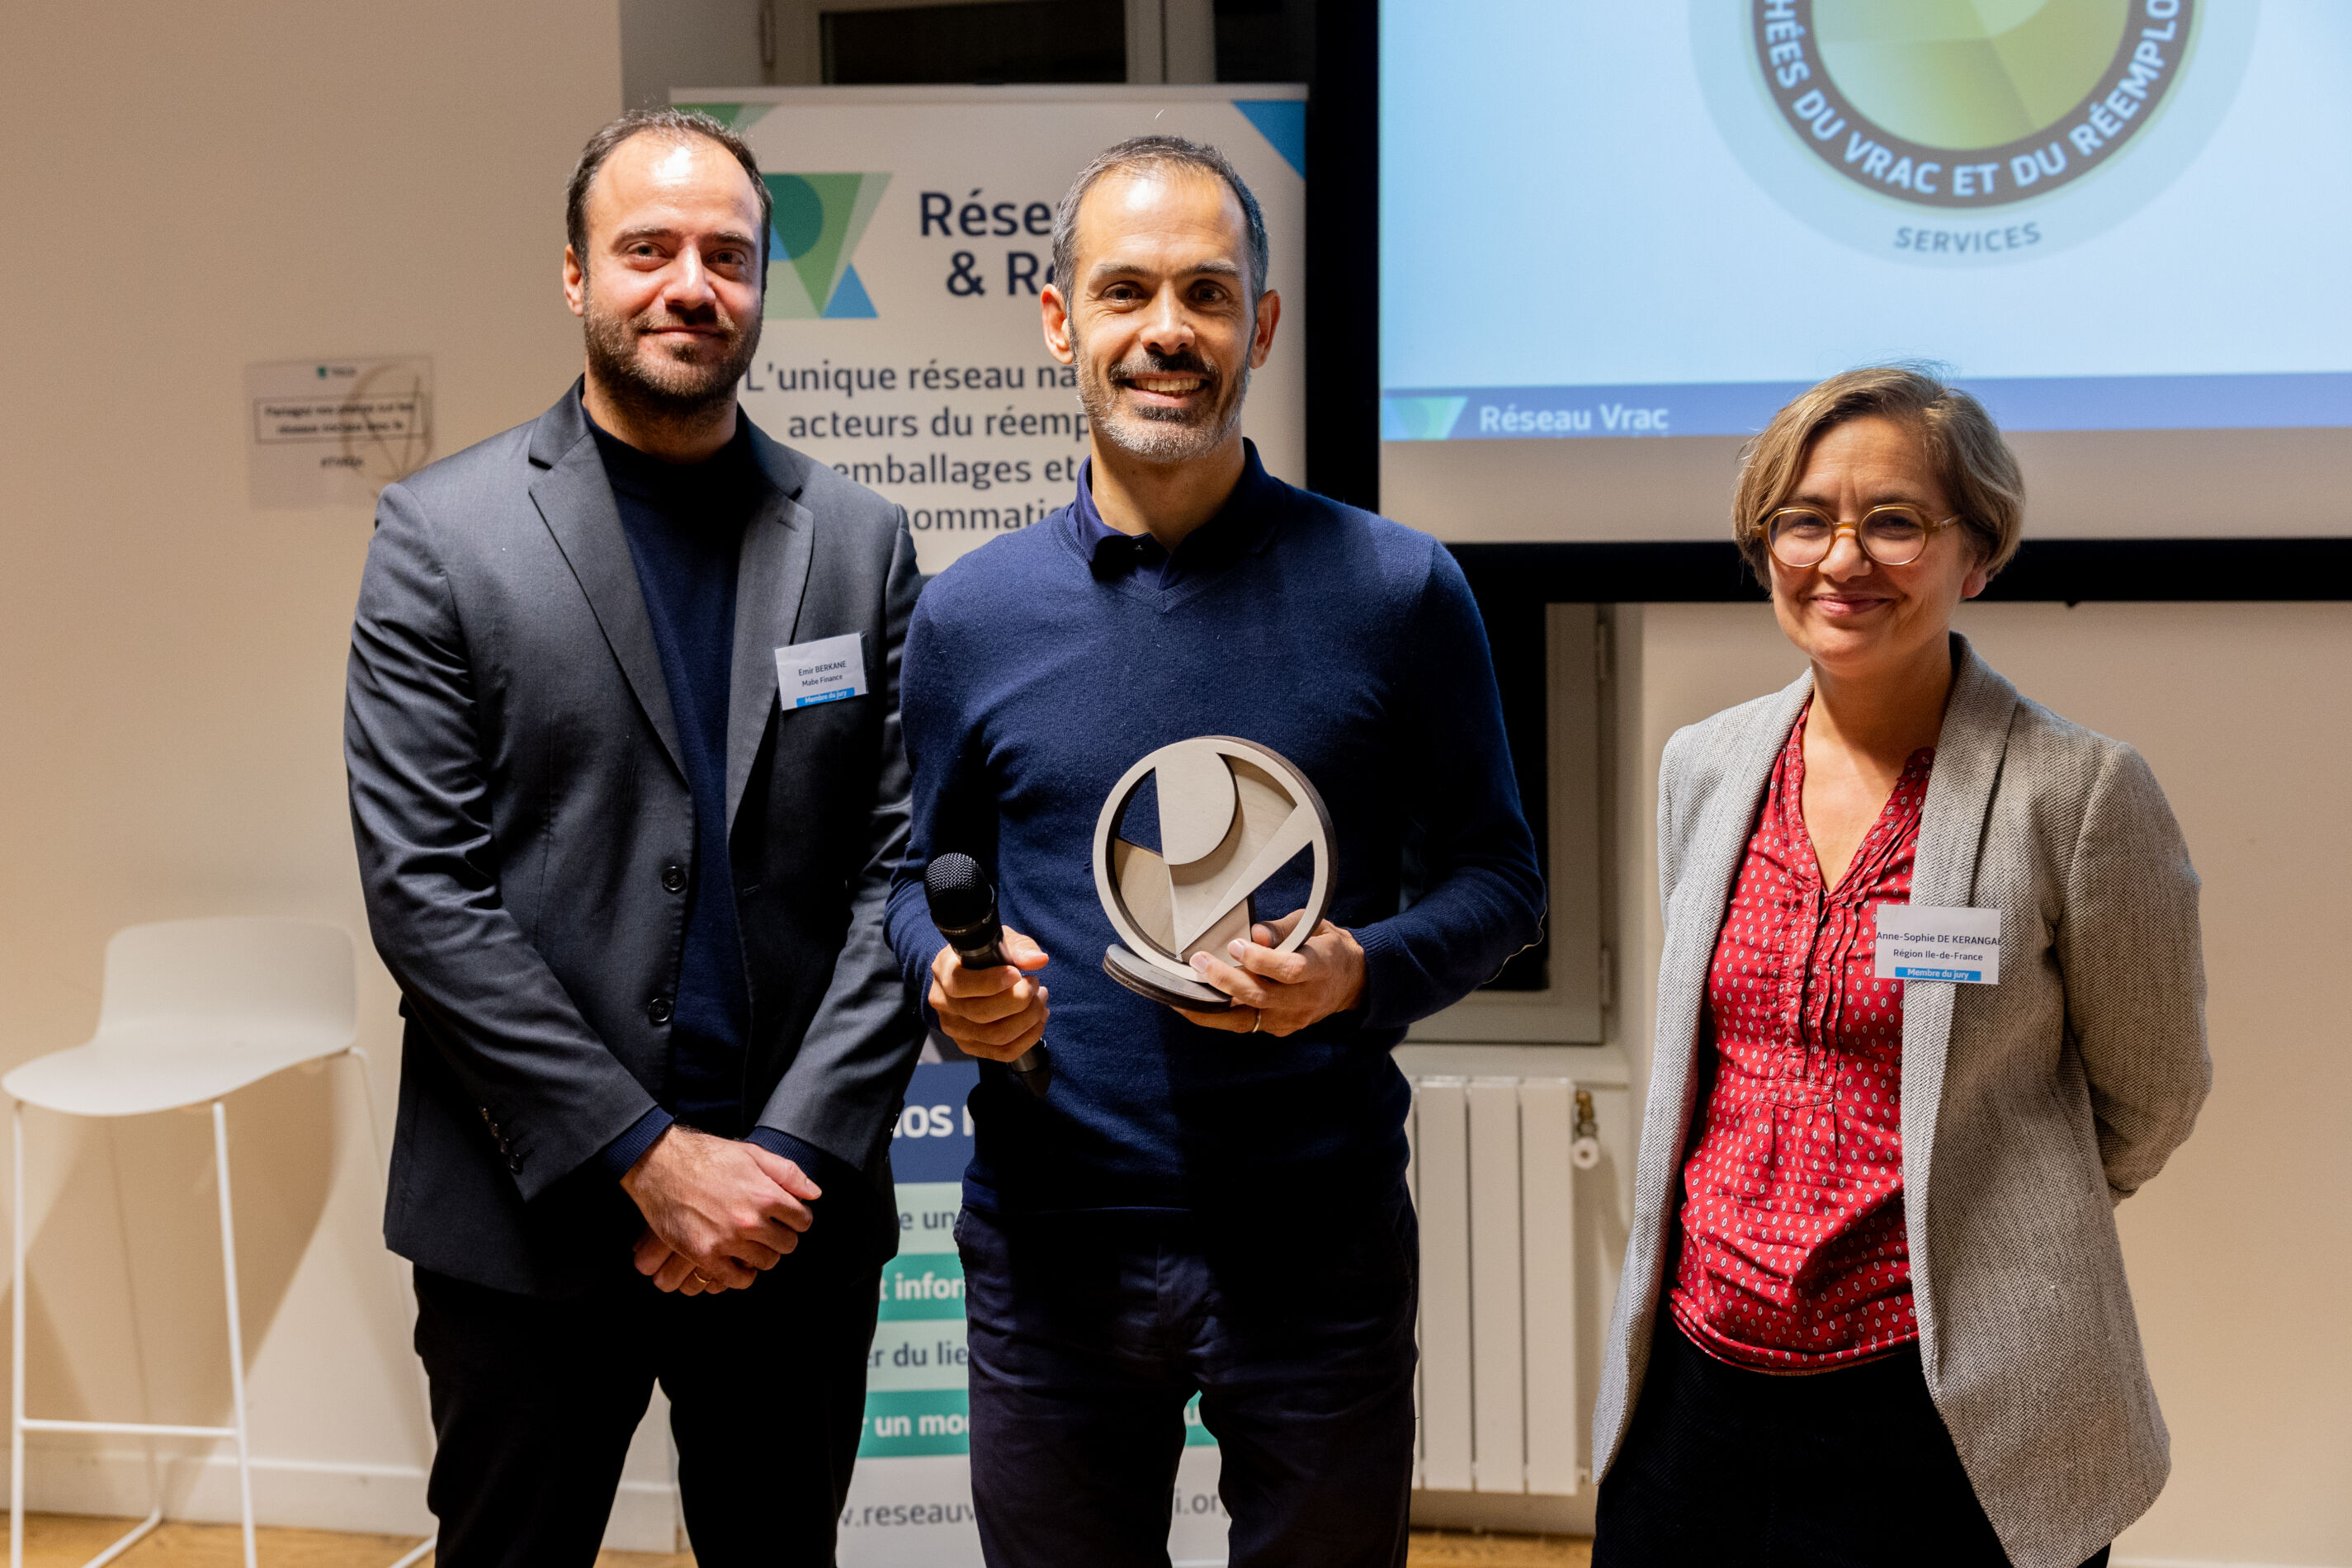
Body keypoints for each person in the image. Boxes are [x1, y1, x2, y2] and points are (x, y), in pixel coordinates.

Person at [883, 136, 1545, 1568]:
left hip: (1316, 1242)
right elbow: (909, 880)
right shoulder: (970, 615)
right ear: (1060, 321)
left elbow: (1501, 883)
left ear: (1262, 324)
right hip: (1048, 1245)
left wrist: (1359, 971)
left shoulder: (1397, 589)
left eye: (1206, 291)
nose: (1166, 330)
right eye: (1124, 291)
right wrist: (945, 973)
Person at [344, 109, 922, 1565]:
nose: (690, 286)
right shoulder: (442, 535)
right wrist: (649, 1158)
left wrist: (778, 1160)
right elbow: (424, 896)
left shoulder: (858, 542)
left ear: (763, 283)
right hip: (527, 1217)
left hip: (791, 1220)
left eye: (727, 255)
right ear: (574, 274)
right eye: (647, 249)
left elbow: (896, 876)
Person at [1589, 367, 2210, 1568]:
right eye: (1803, 519)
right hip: (1698, 1384)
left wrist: (1996, 1212)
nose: (1842, 559)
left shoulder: (2079, 794)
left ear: (1976, 553)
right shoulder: (1704, 766)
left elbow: (2150, 1094)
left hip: (1944, 1400)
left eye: (1893, 522)